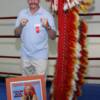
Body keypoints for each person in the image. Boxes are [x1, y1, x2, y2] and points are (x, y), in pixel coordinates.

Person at [14, 0, 56, 76]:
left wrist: (47, 26)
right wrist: (20, 26)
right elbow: (16, 34)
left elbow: (53, 36)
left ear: (39, 0)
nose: (33, 1)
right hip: (25, 56)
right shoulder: (22, 13)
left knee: (39, 84)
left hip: (40, 57)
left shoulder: (47, 15)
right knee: (26, 84)